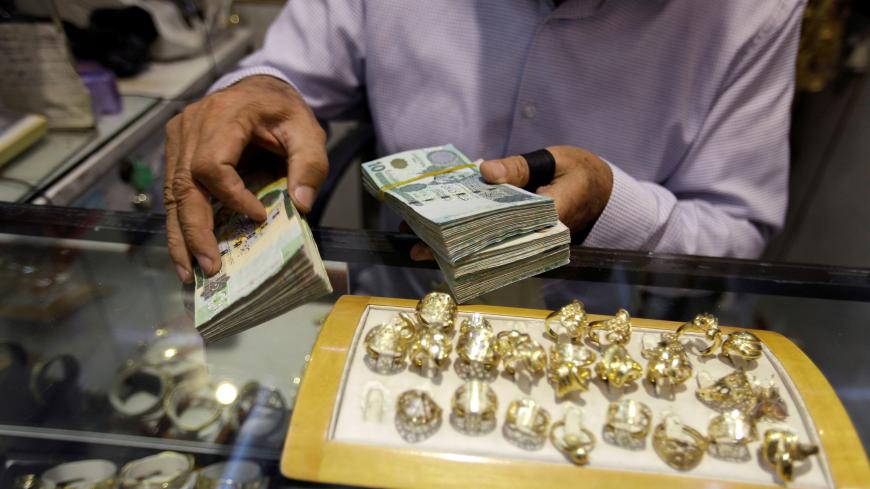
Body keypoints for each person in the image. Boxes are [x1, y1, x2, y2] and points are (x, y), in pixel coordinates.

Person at [164, 0, 805, 284]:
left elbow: (737, 228)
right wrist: (248, 91)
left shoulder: (755, 11)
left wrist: (614, 207)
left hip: (611, 338)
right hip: (403, 305)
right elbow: (287, 79)